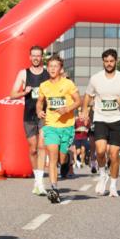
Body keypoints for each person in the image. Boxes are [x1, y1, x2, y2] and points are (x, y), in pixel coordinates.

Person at [81, 49, 120, 198]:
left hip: (118, 119)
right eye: (106, 61)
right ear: (103, 62)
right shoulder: (95, 78)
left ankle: (113, 186)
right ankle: (103, 175)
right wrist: (85, 111)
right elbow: (88, 95)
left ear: (116, 61)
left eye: (111, 61)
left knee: (114, 154)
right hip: (100, 118)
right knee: (100, 151)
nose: (108, 64)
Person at [36, 54, 81, 203]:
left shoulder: (68, 84)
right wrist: (39, 111)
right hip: (50, 125)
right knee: (52, 157)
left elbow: (78, 101)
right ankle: (54, 189)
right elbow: (40, 102)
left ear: (61, 69)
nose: (53, 69)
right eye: (50, 66)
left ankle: (67, 158)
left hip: (67, 126)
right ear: (47, 68)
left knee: (61, 159)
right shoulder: (44, 86)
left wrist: (67, 109)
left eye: (56, 66)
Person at [10, 45, 50, 194]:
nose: (35, 58)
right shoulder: (23, 73)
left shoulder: (47, 74)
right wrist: (23, 92)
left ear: (42, 57)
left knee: (41, 146)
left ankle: (40, 183)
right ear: (29, 57)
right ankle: (36, 179)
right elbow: (12, 94)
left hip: (45, 115)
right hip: (28, 115)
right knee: (33, 148)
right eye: (33, 55)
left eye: (38, 56)